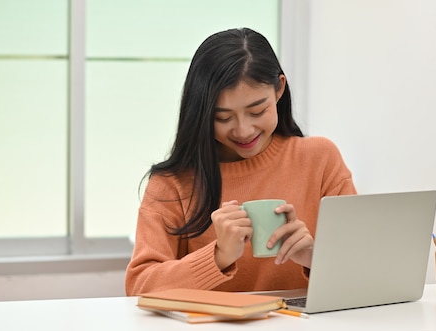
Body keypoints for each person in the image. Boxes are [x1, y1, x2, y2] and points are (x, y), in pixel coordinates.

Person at [125, 28, 356, 296]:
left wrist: (315, 257)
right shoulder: (172, 184)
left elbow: (364, 272)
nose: (243, 130)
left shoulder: (320, 159)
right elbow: (140, 287)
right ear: (201, 113)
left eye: (257, 111)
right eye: (223, 118)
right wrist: (218, 257)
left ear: (279, 89)